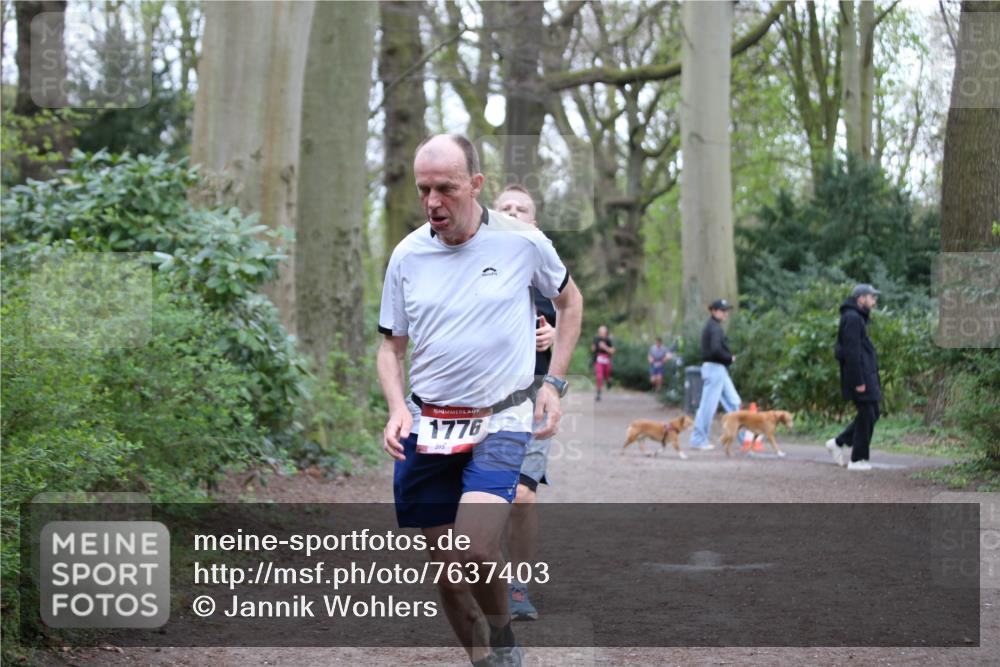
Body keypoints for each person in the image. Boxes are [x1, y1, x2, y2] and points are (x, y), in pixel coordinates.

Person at [377, 135, 583, 667]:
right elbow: (390, 347)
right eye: (424, 189)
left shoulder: (522, 241)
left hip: (500, 419)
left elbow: (569, 300)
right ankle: (483, 659)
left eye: (445, 188)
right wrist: (398, 407)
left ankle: (503, 632)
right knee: (447, 575)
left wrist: (554, 385)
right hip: (429, 423)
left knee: (475, 550)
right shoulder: (406, 255)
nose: (432, 202)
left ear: (475, 184)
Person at [494, 185, 555, 622]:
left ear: (534, 222)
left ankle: (518, 586)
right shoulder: (471, 266)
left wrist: (552, 336)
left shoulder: (548, 271)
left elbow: (570, 316)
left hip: (532, 397)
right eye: (505, 208)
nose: (513, 213)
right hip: (479, 399)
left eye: (522, 209)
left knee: (521, 496)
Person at [826, 284, 882, 471]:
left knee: (873, 413)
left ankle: (838, 442)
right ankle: (858, 459)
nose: (874, 301)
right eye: (871, 297)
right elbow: (851, 353)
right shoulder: (852, 318)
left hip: (866, 374)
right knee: (867, 413)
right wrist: (858, 381)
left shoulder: (857, 317)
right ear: (861, 298)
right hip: (860, 377)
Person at [689, 299, 741, 451]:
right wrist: (729, 358)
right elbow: (715, 350)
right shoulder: (714, 328)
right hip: (714, 369)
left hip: (718, 370)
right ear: (713, 311)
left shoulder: (713, 327)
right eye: (722, 310)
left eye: (726, 310)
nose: (725, 313)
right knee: (708, 406)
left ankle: (744, 438)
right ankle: (698, 440)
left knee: (734, 402)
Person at [591, 325, 615, 401]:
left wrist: (605, 347)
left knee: (607, 374)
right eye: (600, 331)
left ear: (606, 332)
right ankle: (598, 393)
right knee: (599, 376)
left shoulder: (608, 340)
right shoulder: (596, 339)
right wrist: (595, 347)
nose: (601, 333)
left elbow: (613, 351)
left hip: (606, 359)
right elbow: (592, 348)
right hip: (598, 360)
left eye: (602, 331)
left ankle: (608, 381)